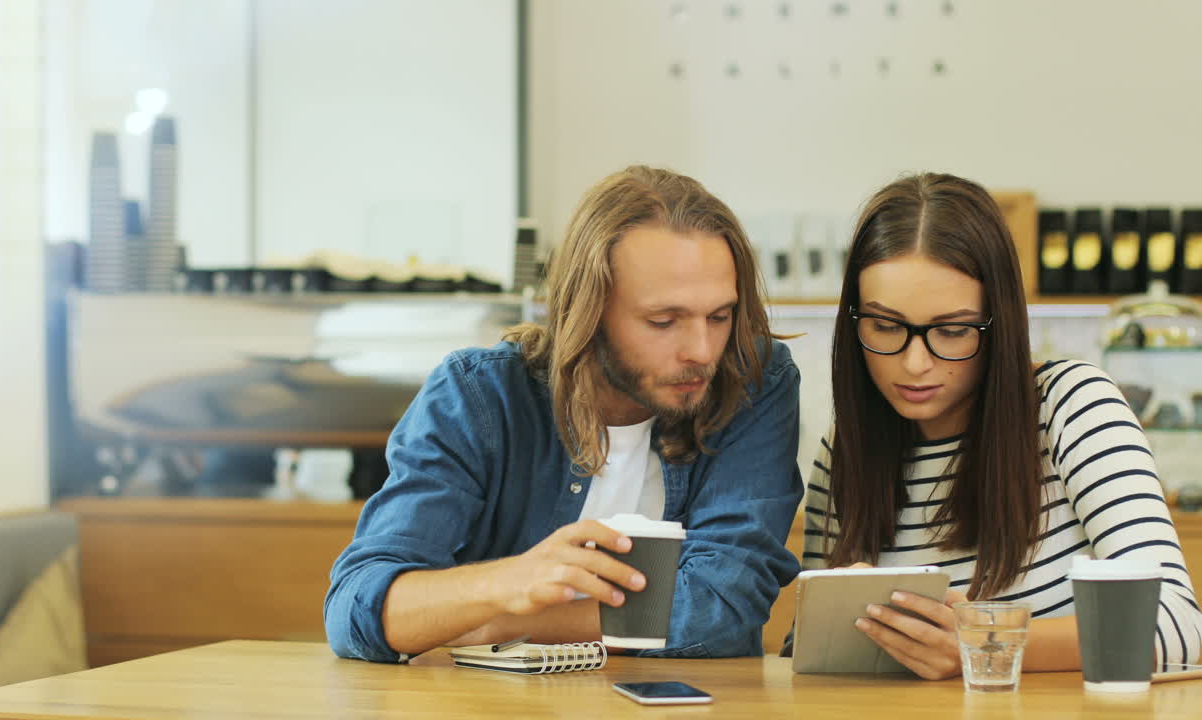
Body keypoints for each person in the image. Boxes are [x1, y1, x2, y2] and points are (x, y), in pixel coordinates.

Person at [326, 165, 803, 662]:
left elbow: (720, 610)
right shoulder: (480, 395)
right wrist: (506, 581)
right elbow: (358, 611)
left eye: (719, 316)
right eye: (663, 321)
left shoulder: (755, 382)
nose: (702, 351)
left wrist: (499, 622)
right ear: (589, 309)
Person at [803, 172, 1202, 679]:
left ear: (1001, 323)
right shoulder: (843, 451)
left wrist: (986, 640)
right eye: (885, 326)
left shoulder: (1070, 407)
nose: (915, 363)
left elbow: (1180, 628)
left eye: (952, 331)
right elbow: (807, 660)